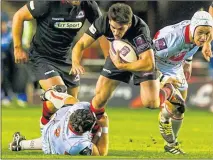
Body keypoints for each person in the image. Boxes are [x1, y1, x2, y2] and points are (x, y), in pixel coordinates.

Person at [71, 3, 185, 120]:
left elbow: (148, 64)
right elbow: (81, 43)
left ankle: (168, 90)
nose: (115, 32)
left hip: (140, 60)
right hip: (118, 57)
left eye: (120, 29)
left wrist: (123, 66)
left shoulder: (140, 30)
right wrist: (75, 62)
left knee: (151, 103)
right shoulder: (103, 21)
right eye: (113, 28)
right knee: (99, 98)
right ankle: (95, 129)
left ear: (129, 24)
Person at [12, 0, 102, 126]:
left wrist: (110, 55)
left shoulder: (88, 5)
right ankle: (45, 123)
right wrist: (18, 48)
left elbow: (103, 28)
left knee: (71, 106)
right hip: (42, 57)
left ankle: (51, 134)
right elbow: (19, 16)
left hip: (66, 59)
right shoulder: (47, 3)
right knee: (61, 93)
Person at [152, 10, 213, 154]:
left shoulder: (199, 32)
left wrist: (188, 62)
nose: (204, 38)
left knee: (179, 110)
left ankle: (166, 122)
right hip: (158, 64)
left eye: (208, 34)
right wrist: (162, 78)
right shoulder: (172, 39)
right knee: (178, 104)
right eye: (201, 33)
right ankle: (171, 142)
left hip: (176, 64)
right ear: (193, 29)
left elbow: (193, 45)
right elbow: (147, 57)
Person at [9, 85, 109, 156]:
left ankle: (20, 144)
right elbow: (101, 153)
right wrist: (104, 128)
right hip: (51, 148)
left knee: (66, 100)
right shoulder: (77, 145)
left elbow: (67, 99)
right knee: (97, 131)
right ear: (85, 131)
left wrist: (49, 94)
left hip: (48, 130)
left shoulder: (76, 108)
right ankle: (20, 144)